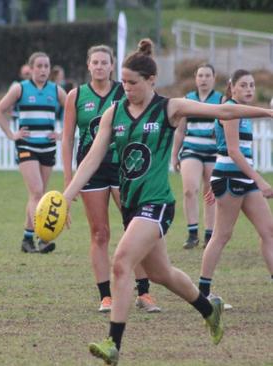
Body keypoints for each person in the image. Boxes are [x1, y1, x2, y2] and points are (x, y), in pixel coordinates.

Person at [63, 39, 273, 365]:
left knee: (121, 261)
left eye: (132, 83)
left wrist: (268, 112)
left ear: (151, 81)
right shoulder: (113, 113)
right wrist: (67, 195)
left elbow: (224, 110)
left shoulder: (169, 108)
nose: (126, 88)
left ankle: (112, 344)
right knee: (162, 274)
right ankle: (208, 308)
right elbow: (91, 159)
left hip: (158, 203)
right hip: (133, 206)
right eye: (124, 81)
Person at [62, 44, 160, 313]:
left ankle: (144, 293)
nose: (100, 66)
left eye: (105, 62)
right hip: (90, 171)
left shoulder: (125, 90)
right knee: (99, 233)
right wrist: (69, 180)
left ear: (112, 65)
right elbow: (68, 137)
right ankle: (106, 296)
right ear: (88, 65)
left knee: (133, 229)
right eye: (95, 62)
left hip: (123, 167)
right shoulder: (76, 96)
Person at [199, 69, 273, 307]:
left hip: (240, 178)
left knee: (269, 230)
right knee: (222, 235)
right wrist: (259, 180)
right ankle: (203, 293)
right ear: (232, 87)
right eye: (244, 85)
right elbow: (232, 151)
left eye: (252, 85)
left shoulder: (243, 112)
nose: (249, 89)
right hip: (232, 178)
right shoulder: (230, 110)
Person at [0, 51, 66, 253]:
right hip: (26, 146)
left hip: (48, 147)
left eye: (46, 66)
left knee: (39, 195)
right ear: (31, 68)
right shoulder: (20, 89)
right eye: (39, 66)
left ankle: (26, 239)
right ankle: (42, 238)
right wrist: (11, 134)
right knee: (36, 192)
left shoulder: (56, 90)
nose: (43, 70)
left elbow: (74, 111)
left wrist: (61, 133)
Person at [171, 64, 223, 249]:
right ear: (195, 78)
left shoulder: (220, 100)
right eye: (200, 75)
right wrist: (174, 156)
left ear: (214, 78)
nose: (203, 79)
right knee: (189, 189)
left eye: (207, 75)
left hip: (212, 152)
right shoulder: (188, 100)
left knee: (210, 194)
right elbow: (180, 131)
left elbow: (225, 127)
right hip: (191, 150)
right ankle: (192, 233)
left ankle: (210, 235)